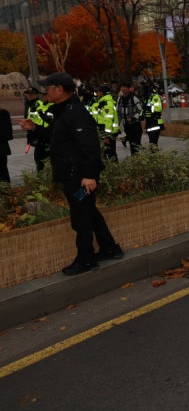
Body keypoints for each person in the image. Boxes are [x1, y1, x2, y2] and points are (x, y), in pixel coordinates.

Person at [18, 72, 124, 275]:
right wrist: (34, 128)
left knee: (80, 217)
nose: (44, 91)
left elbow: (90, 146)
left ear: (59, 90)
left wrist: (90, 175)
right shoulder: (64, 110)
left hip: (80, 176)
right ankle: (110, 248)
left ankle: (85, 259)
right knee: (88, 211)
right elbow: (57, 136)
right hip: (73, 173)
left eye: (47, 88)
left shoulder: (75, 112)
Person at [24, 87, 53, 171]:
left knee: (46, 165)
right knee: (39, 163)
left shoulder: (42, 105)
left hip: (46, 138)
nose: (29, 96)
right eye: (27, 94)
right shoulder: (31, 105)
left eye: (31, 94)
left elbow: (47, 122)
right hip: (37, 137)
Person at [91, 85, 120, 162]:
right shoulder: (102, 103)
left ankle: (115, 171)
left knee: (111, 155)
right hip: (104, 133)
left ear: (102, 93)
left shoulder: (107, 104)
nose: (97, 93)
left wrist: (107, 136)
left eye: (98, 92)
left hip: (108, 134)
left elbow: (108, 121)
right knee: (105, 154)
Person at [116, 82, 143, 155]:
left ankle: (137, 161)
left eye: (125, 87)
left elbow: (141, 111)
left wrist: (133, 118)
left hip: (135, 126)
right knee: (132, 145)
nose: (123, 89)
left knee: (135, 146)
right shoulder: (120, 100)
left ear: (128, 89)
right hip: (127, 126)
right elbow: (118, 113)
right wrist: (116, 126)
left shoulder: (134, 99)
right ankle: (135, 161)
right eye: (122, 87)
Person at [0, 107, 10, 182]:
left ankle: (6, 192)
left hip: (1, 150)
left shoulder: (3, 113)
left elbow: (8, 134)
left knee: (3, 174)